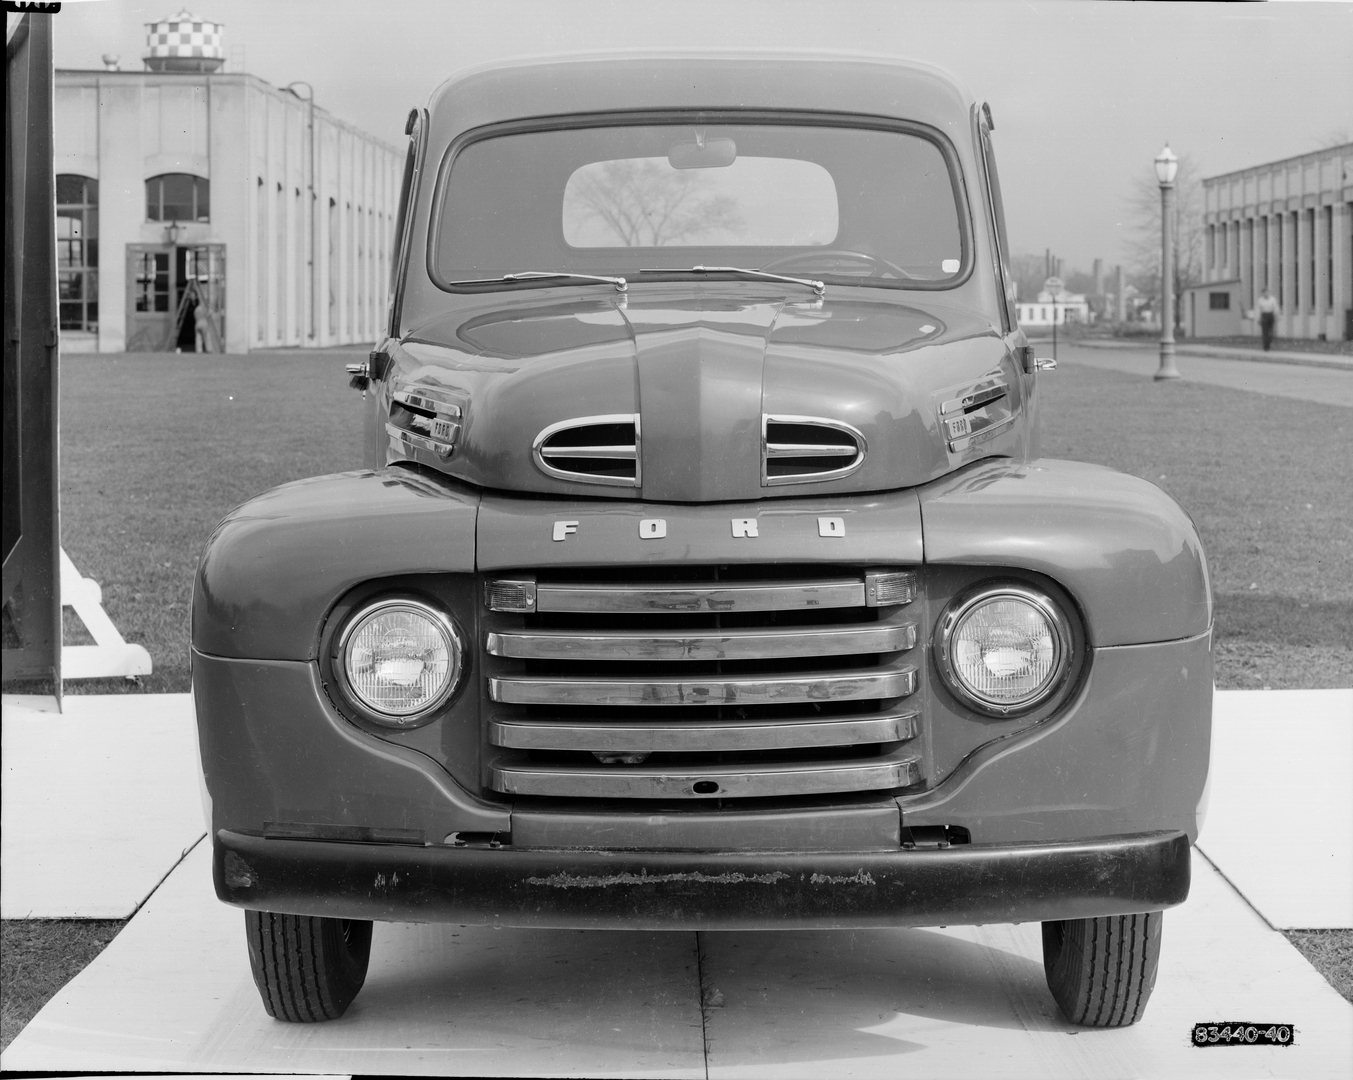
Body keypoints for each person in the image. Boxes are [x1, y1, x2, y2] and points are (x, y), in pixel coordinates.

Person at [1256, 287, 1277, 351]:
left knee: (1271, 332)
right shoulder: (1260, 300)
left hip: (1271, 315)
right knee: (1265, 332)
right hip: (1264, 315)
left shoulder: (1272, 299)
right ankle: (1266, 347)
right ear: (1263, 293)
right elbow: (1258, 310)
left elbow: (1275, 308)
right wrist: (1258, 318)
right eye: (1264, 293)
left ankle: (1269, 342)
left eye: (1267, 292)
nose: (1266, 294)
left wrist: (1276, 315)